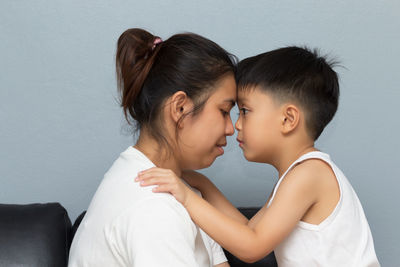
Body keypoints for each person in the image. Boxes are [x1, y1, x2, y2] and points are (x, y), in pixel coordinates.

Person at [137, 47, 381, 266]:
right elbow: (248, 230)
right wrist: (202, 184)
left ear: (288, 119)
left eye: (245, 111)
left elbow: (252, 247)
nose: (236, 125)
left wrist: (188, 198)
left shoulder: (310, 174)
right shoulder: (297, 174)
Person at [68, 28, 238, 267]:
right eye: (223, 111)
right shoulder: (153, 208)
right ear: (180, 108)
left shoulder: (174, 189)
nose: (231, 128)